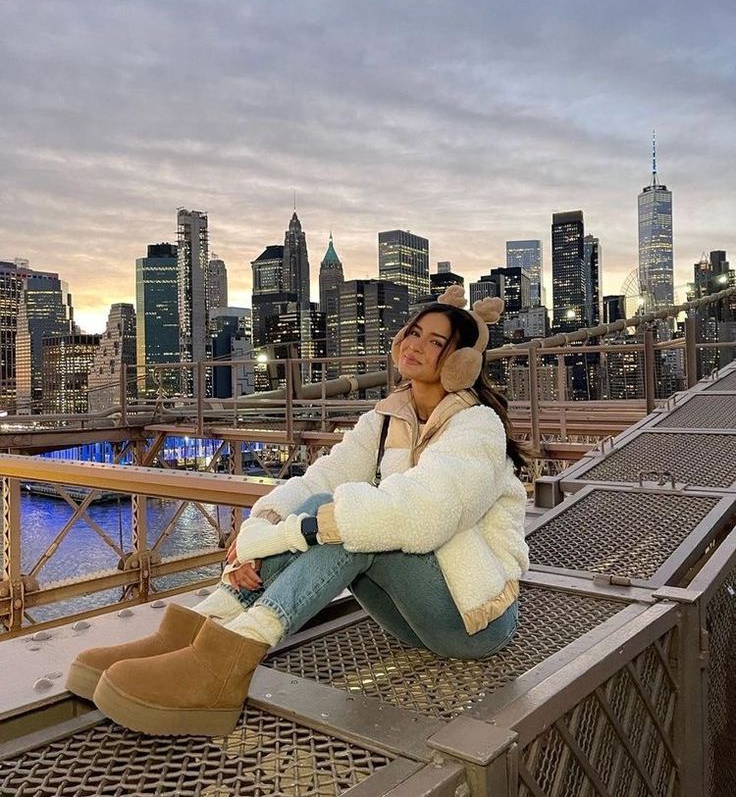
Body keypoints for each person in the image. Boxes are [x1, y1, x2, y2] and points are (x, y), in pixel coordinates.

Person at [66, 285, 529, 736]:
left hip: (473, 619)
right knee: (326, 507)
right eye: (413, 332)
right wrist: (261, 528)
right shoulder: (388, 416)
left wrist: (304, 531)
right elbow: (320, 479)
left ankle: (226, 664)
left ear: (461, 363)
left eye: (436, 342)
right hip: (411, 617)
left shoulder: (477, 426)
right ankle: (198, 631)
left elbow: (428, 512)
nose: (416, 345)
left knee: (353, 525)